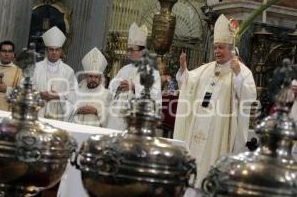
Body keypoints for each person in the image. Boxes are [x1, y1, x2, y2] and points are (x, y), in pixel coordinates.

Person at [173, 14, 256, 187]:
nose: (217, 51)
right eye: (215, 47)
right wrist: (183, 71)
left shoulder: (243, 72)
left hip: (219, 130)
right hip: (198, 124)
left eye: (221, 47)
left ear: (232, 49)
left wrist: (238, 75)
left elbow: (249, 98)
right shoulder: (206, 69)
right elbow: (188, 81)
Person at [106, 22, 161, 130]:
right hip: (117, 118)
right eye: (128, 49)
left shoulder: (152, 72)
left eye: (132, 50)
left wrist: (135, 87)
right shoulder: (123, 70)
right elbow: (111, 90)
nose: (129, 53)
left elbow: (155, 96)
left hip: (136, 119)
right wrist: (118, 88)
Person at [32, 26, 77, 121]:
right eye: (51, 49)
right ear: (46, 50)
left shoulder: (69, 71)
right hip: (38, 110)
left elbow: (73, 95)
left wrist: (58, 96)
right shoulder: (36, 67)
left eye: (57, 50)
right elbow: (28, 87)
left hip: (58, 115)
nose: (54, 52)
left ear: (61, 51)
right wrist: (40, 93)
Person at [69, 47, 111, 127]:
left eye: (96, 77)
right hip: (75, 129)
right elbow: (68, 108)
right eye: (90, 76)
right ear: (85, 77)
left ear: (100, 78)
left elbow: (110, 116)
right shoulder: (77, 92)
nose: (93, 79)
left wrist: (96, 111)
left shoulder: (106, 94)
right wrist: (78, 110)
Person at [0, 40, 23, 111]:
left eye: (10, 51)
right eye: (4, 51)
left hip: (6, 111)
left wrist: (6, 89)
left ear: (13, 54)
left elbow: (22, 94)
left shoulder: (18, 71)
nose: (7, 54)